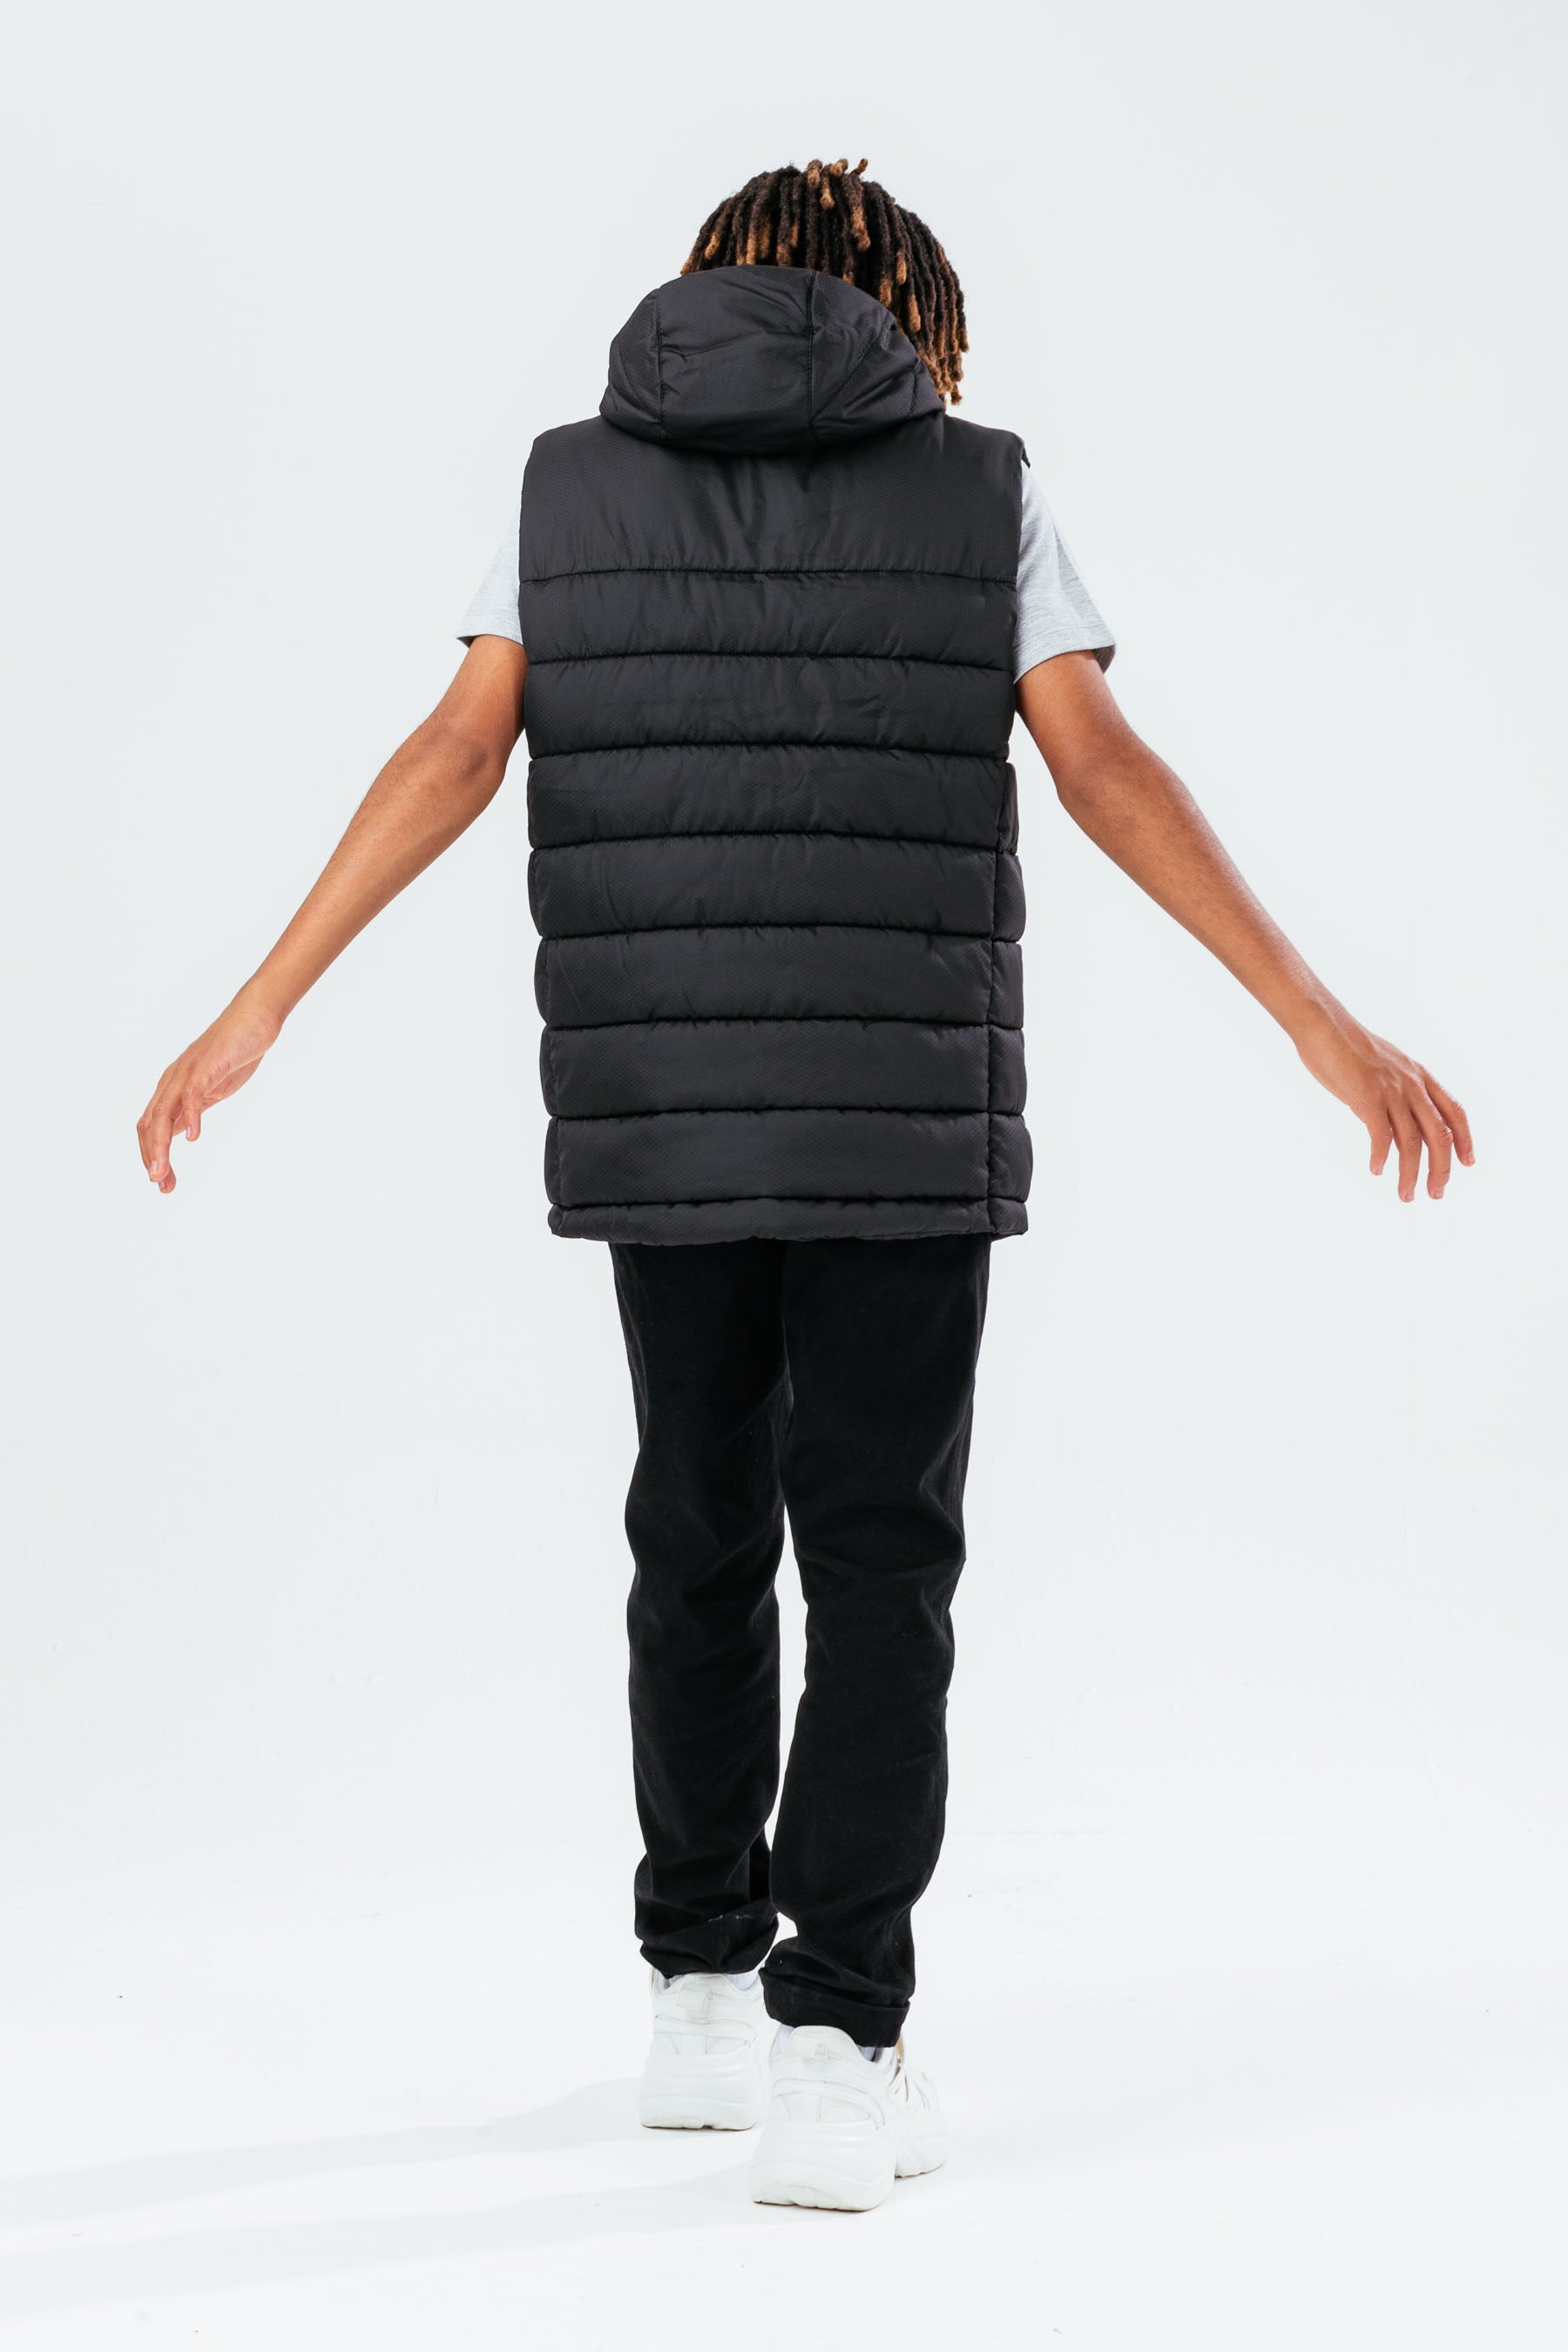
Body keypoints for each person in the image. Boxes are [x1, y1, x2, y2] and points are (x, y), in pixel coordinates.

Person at [136, 158, 1474, 2213]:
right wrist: (1319, 1019)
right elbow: (1101, 765)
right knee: (876, 1567)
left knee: (694, 1531)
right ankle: (837, 2041)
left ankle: (696, 1993)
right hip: (896, 1124)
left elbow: (458, 746)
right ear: (905, 309)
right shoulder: (980, 487)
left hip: (665, 1112)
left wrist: (260, 1003)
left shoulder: (565, 488)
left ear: (709, 284)